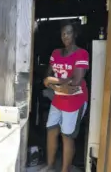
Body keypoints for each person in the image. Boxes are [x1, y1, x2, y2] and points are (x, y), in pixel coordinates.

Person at [42, 20, 89, 172]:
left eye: (68, 32)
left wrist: (52, 81)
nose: (65, 36)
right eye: (63, 33)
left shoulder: (82, 53)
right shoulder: (56, 53)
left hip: (75, 101)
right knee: (51, 130)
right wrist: (60, 84)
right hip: (58, 99)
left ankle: (64, 170)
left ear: (75, 34)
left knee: (67, 136)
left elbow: (76, 81)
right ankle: (50, 166)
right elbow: (46, 75)